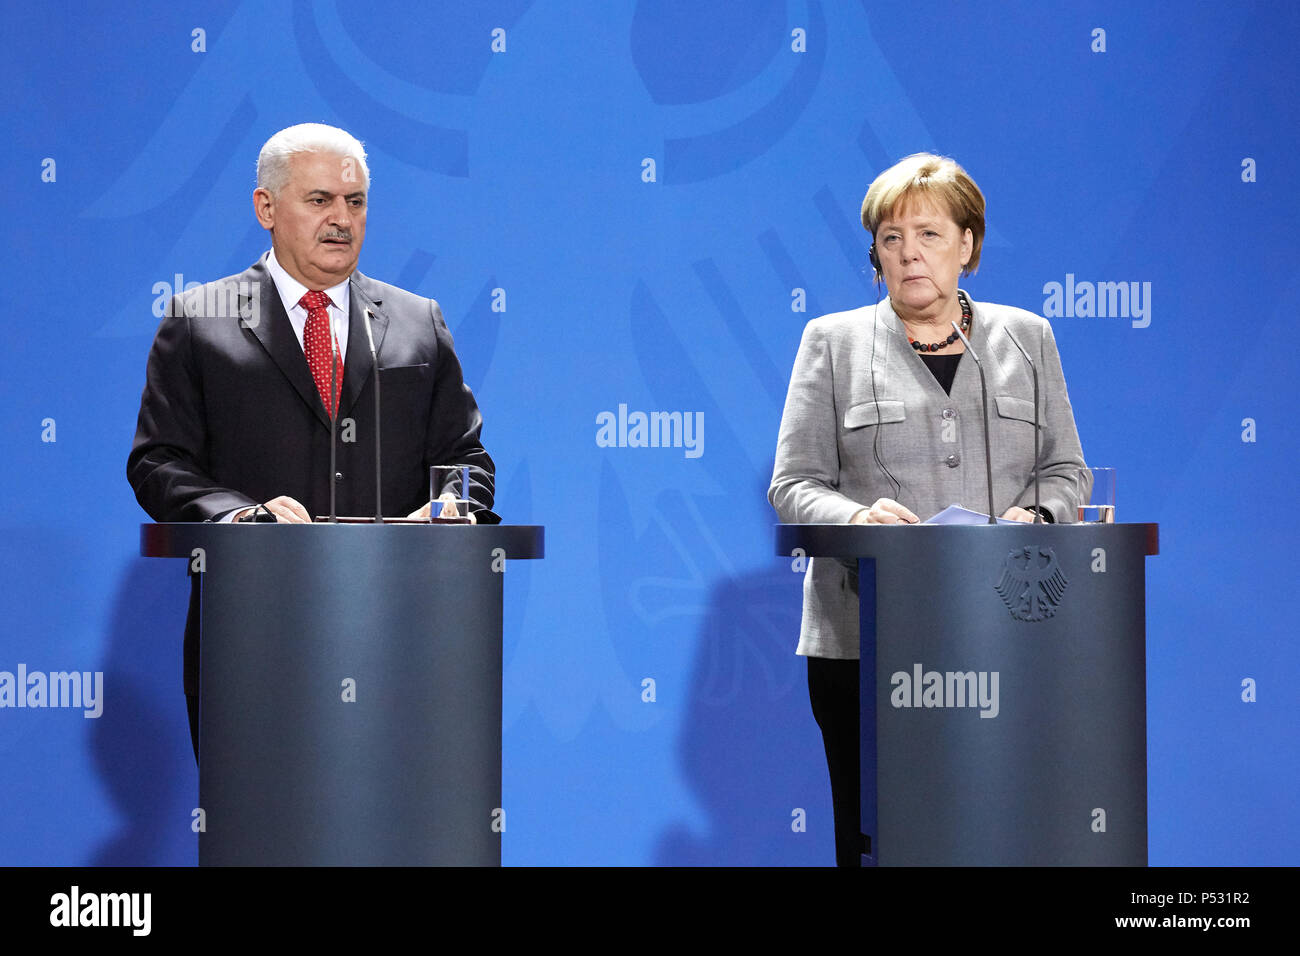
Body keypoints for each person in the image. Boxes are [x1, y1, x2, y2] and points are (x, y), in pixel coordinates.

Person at [127, 123, 496, 757]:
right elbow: (159, 461)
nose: (341, 220)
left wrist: (453, 506)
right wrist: (240, 516)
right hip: (255, 638)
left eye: (354, 202)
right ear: (266, 207)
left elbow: (466, 457)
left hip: (400, 636)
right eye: (319, 200)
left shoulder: (417, 323)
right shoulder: (200, 322)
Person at [768, 153, 1089, 866]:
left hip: (1004, 632)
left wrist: (1034, 519)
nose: (908, 253)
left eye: (929, 234)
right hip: (864, 639)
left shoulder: (1027, 339)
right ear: (875, 255)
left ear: (968, 245)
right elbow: (794, 483)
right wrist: (857, 520)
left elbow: (1067, 470)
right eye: (890, 238)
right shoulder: (832, 342)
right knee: (878, 839)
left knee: (999, 835)